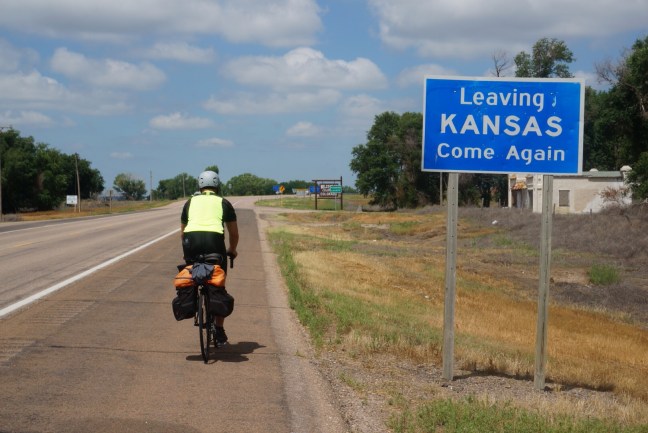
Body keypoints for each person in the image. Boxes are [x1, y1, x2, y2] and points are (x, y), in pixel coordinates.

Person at [180, 170, 238, 346]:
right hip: (215, 245)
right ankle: (219, 331)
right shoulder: (223, 203)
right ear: (217, 185)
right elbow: (234, 234)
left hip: (191, 243)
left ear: (200, 186)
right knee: (218, 285)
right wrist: (232, 250)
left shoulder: (189, 202)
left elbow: (182, 232)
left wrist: (187, 252)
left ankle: (193, 300)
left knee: (192, 274)